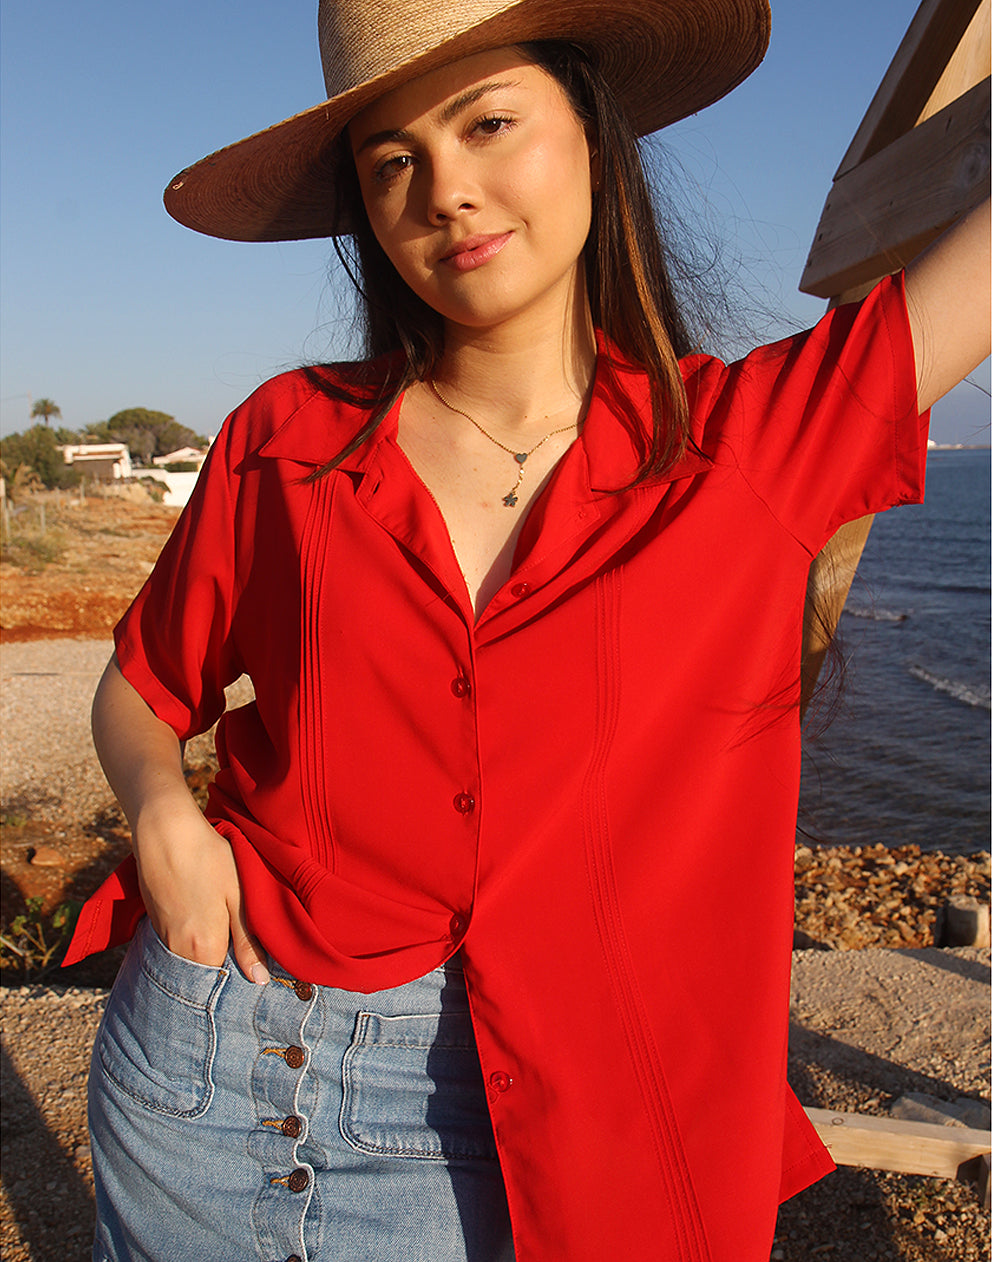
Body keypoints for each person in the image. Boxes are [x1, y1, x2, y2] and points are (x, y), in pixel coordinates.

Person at [64, 1, 990, 1259]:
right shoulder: (289, 437)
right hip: (208, 1070)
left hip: (548, 1119)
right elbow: (141, 684)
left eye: (489, 123)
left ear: (594, 141)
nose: (446, 191)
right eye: (392, 161)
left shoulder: (749, 445)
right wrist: (163, 814)